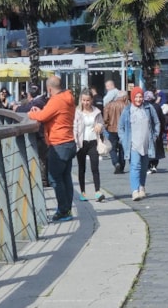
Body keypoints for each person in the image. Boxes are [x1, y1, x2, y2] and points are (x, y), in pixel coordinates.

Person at [28, 76, 77, 222]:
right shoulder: (68, 97)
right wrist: (41, 111)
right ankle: (66, 208)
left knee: (54, 178)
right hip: (69, 141)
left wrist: (31, 113)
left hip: (59, 143)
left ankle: (63, 210)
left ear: (49, 89)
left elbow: (43, 116)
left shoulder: (56, 100)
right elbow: (51, 114)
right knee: (65, 177)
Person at [118, 86, 161, 202]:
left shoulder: (148, 108)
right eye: (136, 97)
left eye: (140, 97)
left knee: (143, 168)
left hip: (147, 143)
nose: (138, 99)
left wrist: (155, 136)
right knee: (135, 166)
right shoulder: (127, 110)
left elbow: (157, 123)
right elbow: (120, 127)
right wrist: (123, 140)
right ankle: (134, 191)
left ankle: (142, 186)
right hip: (133, 144)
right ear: (132, 97)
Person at [73, 89, 105, 202]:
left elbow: (102, 123)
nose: (85, 102)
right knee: (82, 168)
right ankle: (83, 192)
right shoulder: (77, 112)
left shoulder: (96, 112)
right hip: (82, 143)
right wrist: (76, 142)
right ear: (80, 100)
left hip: (93, 142)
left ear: (91, 100)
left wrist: (100, 126)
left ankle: (97, 191)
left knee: (95, 167)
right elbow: (75, 128)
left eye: (88, 100)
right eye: (83, 100)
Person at [15, 86, 50, 187]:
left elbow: (25, 109)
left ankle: (43, 180)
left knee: (41, 157)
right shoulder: (41, 100)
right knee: (41, 157)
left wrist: (16, 108)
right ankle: (42, 178)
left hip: (41, 134)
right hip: (41, 134)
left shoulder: (38, 102)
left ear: (29, 95)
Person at [103, 92, 129, 174]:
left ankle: (116, 163)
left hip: (112, 130)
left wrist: (107, 126)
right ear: (124, 97)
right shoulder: (126, 106)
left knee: (112, 148)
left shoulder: (109, 105)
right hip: (123, 131)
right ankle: (121, 166)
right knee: (122, 149)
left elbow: (105, 118)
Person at [144, 91, 166, 174]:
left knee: (147, 148)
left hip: (147, 131)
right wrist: (162, 129)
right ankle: (154, 165)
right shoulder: (157, 106)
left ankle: (148, 166)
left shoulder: (143, 106)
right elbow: (162, 119)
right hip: (157, 131)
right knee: (157, 148)